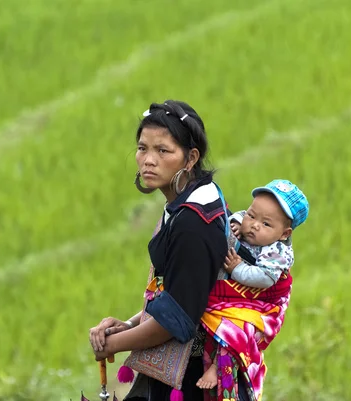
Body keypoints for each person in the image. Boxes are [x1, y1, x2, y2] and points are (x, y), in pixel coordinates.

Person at [88, 99, 232, 400]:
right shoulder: (185, 206)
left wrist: (113, 344)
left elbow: (177, 318)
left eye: (162, 150)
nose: (148, 160)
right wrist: (127, 325)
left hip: (192, 380)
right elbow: (176, 293)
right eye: (142, 148)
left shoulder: (194, 223)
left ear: (190, 158)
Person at [198, 179, 309, 400]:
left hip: (264, 307)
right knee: (222, 318)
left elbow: (265, 278)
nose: (255, 225)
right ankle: (214, 358)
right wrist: (237, 223)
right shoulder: (248, 224)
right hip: (238, 298)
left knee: (239, 328)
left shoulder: (278, 251)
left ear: (285, 233)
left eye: (266, 224)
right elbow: (237, 216)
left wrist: (238, 268)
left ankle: (220, 368)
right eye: (252, 215)